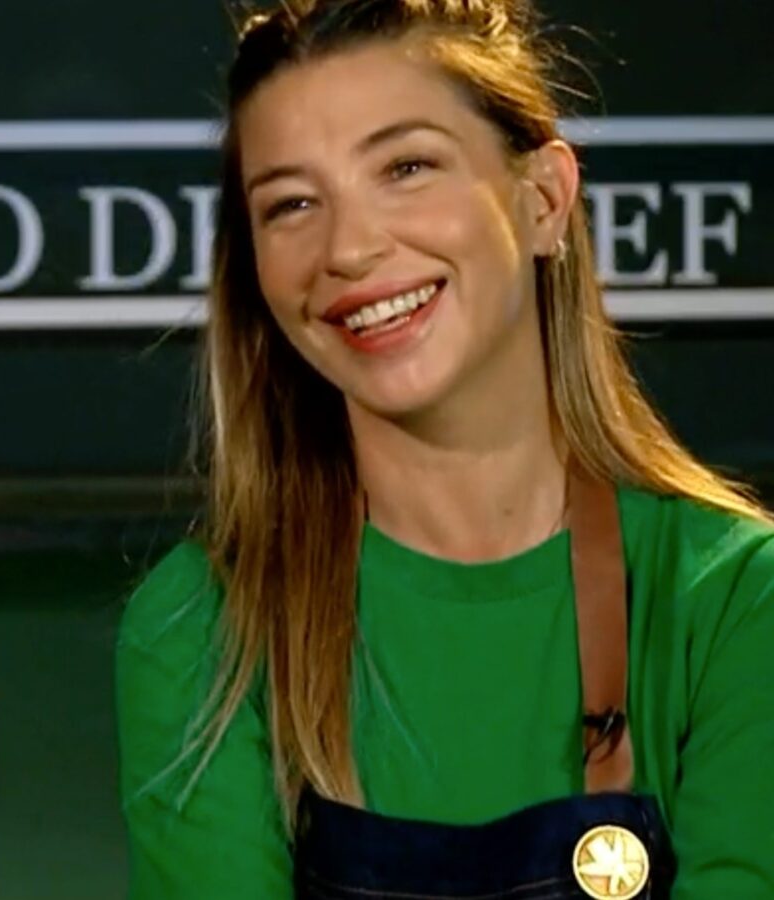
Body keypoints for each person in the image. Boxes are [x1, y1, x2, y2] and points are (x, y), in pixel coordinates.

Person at [116, 0, 774, 897]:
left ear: (544, 200)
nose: (350, 249)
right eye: (292, 204)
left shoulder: (733, 602)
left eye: (407, 167)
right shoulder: (204, 632)